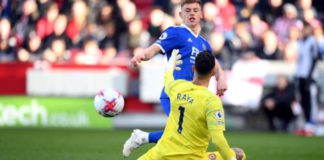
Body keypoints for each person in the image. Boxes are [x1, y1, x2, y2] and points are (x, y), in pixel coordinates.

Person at [123, 0, 227, 157]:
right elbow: (155, 48)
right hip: (175, 93)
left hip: (193, 97)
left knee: (185, 132)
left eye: (195, 10)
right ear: (180, 14)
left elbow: (215, 64)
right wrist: (141, 55)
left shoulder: (205, 43)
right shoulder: (176, 32)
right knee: (183, 133)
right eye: (187, 10)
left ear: (201, 14)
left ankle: (143, 137)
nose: (191, 13)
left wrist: (222, 78)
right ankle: (144, 138)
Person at [139, 50, 245, 160]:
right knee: (239, 154)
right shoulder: (211, 101)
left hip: (159, 155)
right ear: (213, 72)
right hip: (190, 157)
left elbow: (168, 77)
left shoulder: (177, 87)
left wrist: (171, 61)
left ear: (193, 68)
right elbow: (218, 140)